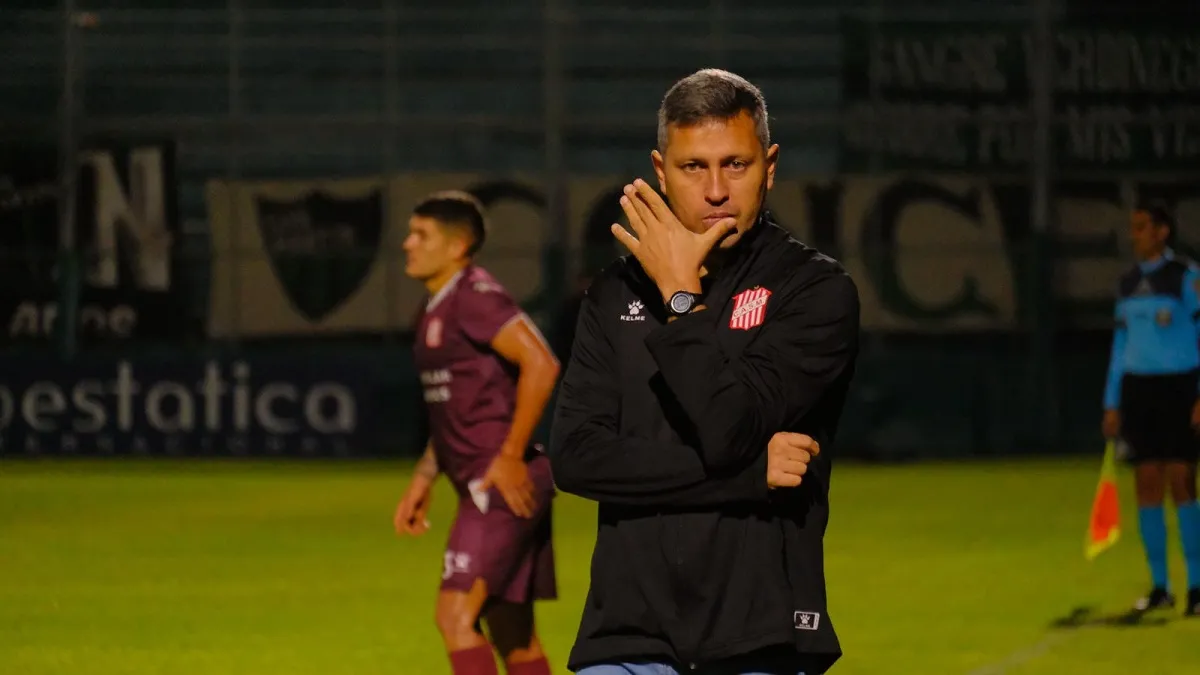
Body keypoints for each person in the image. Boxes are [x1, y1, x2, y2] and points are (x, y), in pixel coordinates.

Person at [548, 69, 861, 674]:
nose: (716, 190)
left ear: (769, 166)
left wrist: (681, 300)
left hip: (759, 636)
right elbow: (576, 458)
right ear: (661, 171)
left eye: (735, 165)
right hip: (626, 637)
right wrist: (750, 476)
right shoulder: (613, 296)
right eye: (694, 168)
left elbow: (728, 428)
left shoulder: (814, 291)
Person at [393, 190, 563, 674]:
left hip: (500, 483)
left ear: (457, 245)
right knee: (513, 634)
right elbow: (451, 410)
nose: (407, 244)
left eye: (420, 234)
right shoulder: (437, 306)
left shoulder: (474, 296)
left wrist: (509, 455)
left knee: (454, 617)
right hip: (482, 483)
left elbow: (542, 363)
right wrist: (424, 478)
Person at [1102, 201, 1200, 617]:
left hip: (1179, 387)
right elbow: (1120, 346)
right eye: (1133, 228)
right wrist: (1112, 401)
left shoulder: (1185, 276)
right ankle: (1160, 587)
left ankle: (1196, 588)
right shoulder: (1125, 284)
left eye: (1142, 228)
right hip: (1138, 391)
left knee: (1182, 481)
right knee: (1146, 486)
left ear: (1162, 232)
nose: (1134, 235)